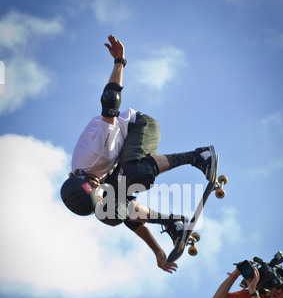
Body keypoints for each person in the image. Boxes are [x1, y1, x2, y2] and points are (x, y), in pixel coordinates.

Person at [61, 35, 217, 273]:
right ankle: (172, 221)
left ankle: (198, 156)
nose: (101, 194)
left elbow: (110, 102)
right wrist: (156, 250)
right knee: (110, 212)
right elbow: (125, 214)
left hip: (139, 126)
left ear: (88, 183)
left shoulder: (95, 154)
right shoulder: (86, 176)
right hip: (122, 156)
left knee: (135, 172)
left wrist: (119, 61)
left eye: (97, 193)